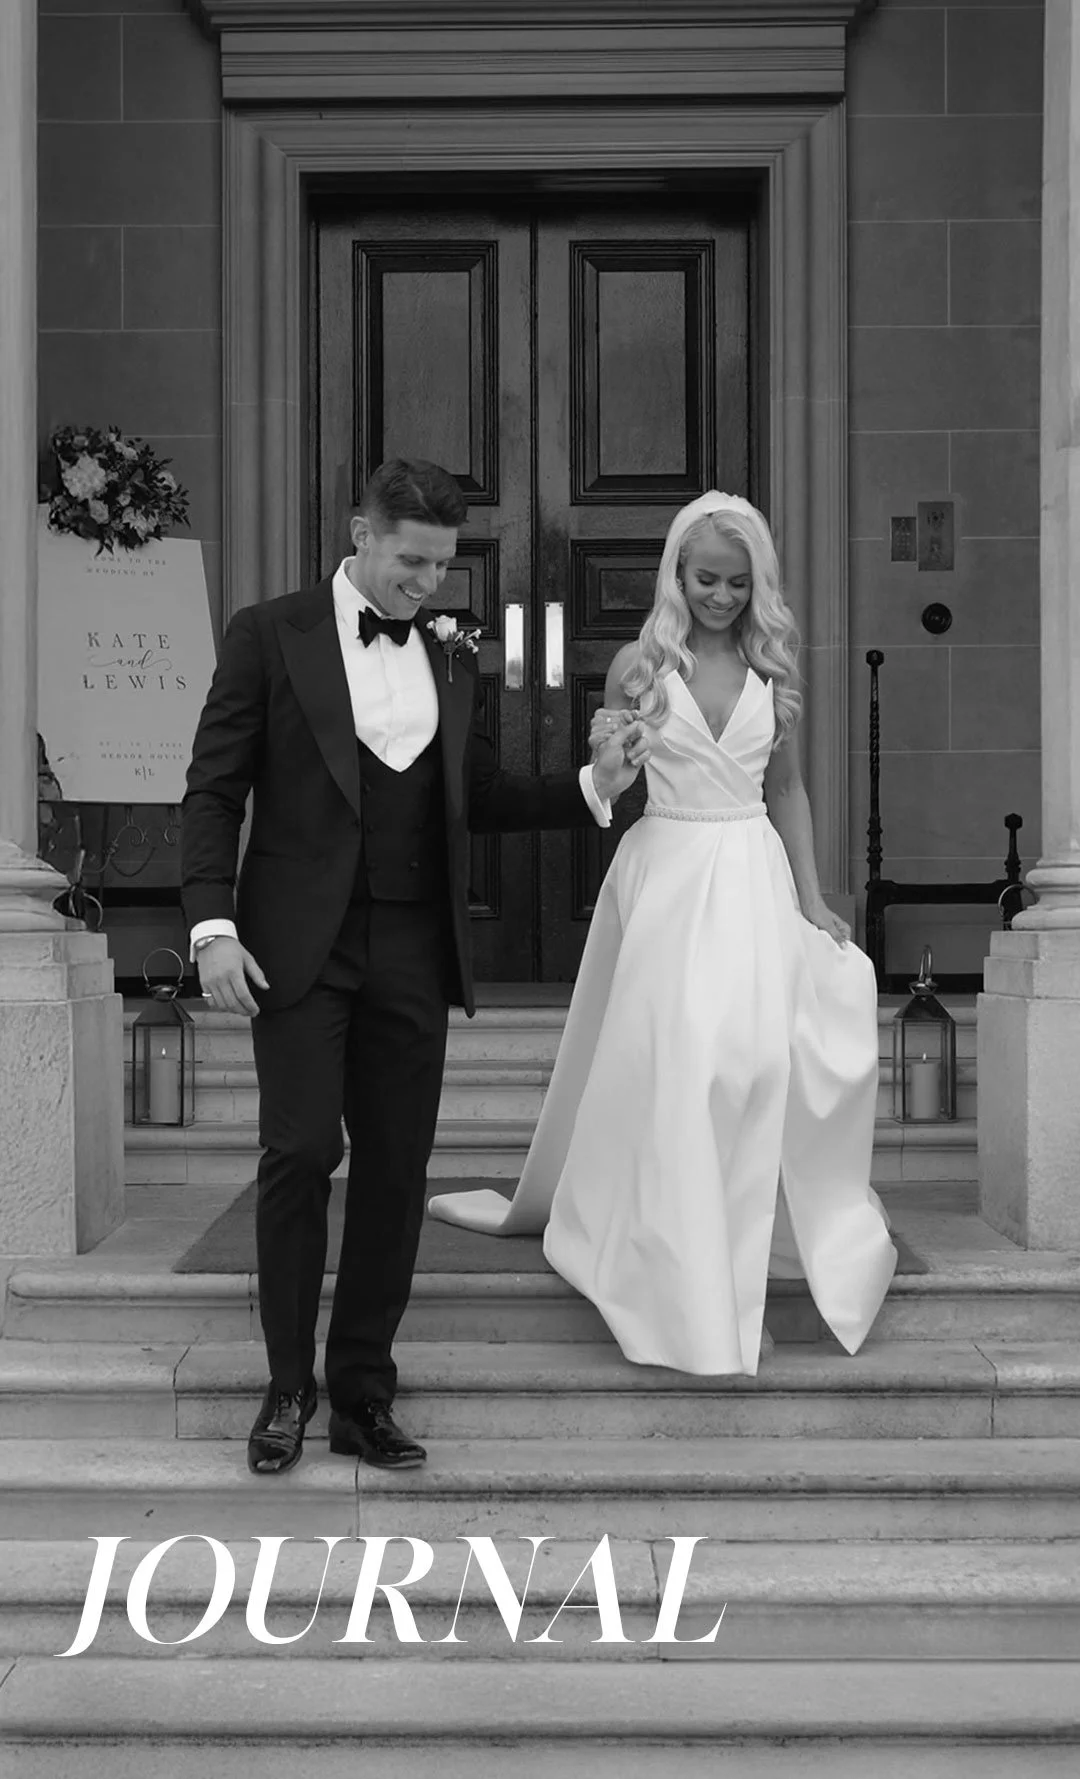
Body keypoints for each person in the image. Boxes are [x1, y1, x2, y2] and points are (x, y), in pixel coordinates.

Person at [181, 459, 649, 1475]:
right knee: (302, 1150)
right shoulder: (269, 633)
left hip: (412, 947)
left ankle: (362, 1393)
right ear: (362, 533)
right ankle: (287, 1385)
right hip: (295, 945)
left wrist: (593, 784)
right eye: (412, 562)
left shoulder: (451, 653)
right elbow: (213, 791)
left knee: (396, 1173)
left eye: (442, 566)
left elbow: (476, 796)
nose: (429, 584)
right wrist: (212, 927)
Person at [429, 491, 898, 1376]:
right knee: (681, 1062)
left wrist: (812, 897)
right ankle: (687, 1284)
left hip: (751, 876)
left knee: (754, 1065)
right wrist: (609, 755)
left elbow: (787, 790)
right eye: (705, 578)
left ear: (757, 584)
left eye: (737, 582)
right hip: (668, 879)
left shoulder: (773, 668)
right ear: (678, 575)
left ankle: (736, 1261)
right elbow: (610, 773)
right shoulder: (639, 666)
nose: (720, 595)